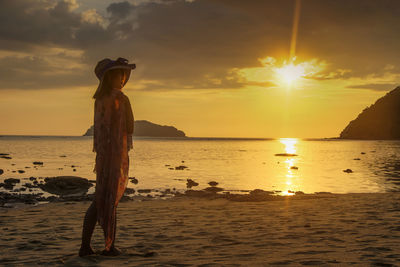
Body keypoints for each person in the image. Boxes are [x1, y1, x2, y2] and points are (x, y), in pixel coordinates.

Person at [79, 57, 135, 257]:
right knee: (108, 201)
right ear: (111, 77)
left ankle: (88, 246)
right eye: (120, 74)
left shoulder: (100, 100)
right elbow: (129, 126)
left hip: (104, 156)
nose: (122, 79)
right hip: (114, 156)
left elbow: (102, 131)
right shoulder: (120, 99)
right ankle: (107, 247)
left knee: (102, 199)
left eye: (123, 75)